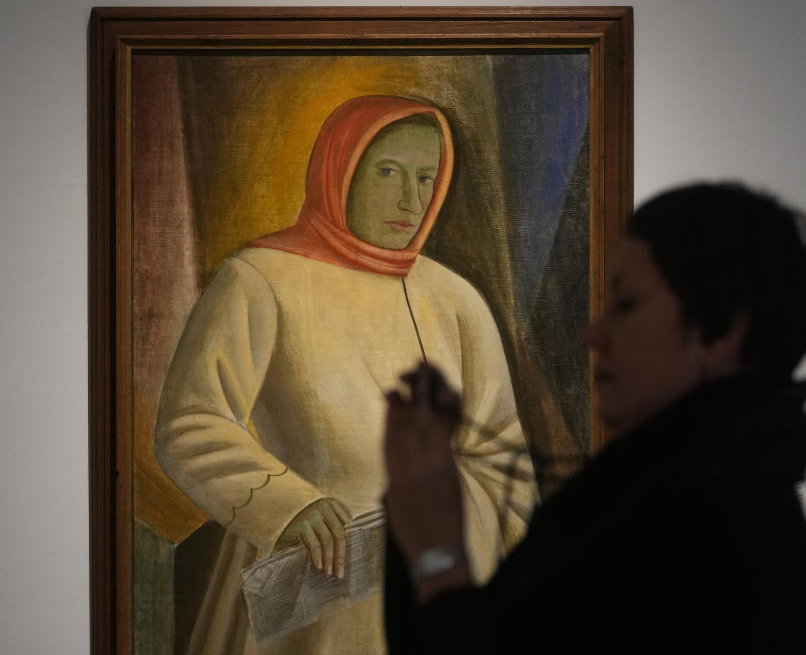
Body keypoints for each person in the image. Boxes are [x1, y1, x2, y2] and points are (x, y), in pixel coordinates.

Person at [155, 95, 537, 655]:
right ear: (339, 170)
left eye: (426, 178)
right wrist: (290, 504)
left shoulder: (455, 298)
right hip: (319, 572)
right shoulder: (259, 279)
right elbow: (191, 421)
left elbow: (501, 445)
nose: (411, 199)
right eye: (388, 172)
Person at [383, 182, 806, 654]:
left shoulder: (718, 533)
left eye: (627, 305)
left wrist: (439, 559)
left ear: (719, 331)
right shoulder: (671, 495)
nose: (593, 335)